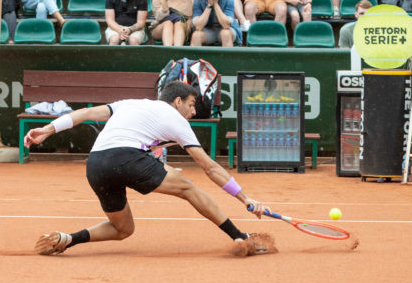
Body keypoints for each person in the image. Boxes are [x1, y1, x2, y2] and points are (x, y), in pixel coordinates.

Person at [25, 81, 273, 256]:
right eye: (192, 104)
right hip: (127, 157)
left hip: (96, 165)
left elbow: (87, 112)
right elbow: (210, 167)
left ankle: (69, 239)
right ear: (178, 101)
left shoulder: (131, 104)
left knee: (123, 229)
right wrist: (245, 198)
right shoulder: (176, 119)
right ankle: (239, 235)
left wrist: (47, 129)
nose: (194, 111)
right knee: (188, 188)